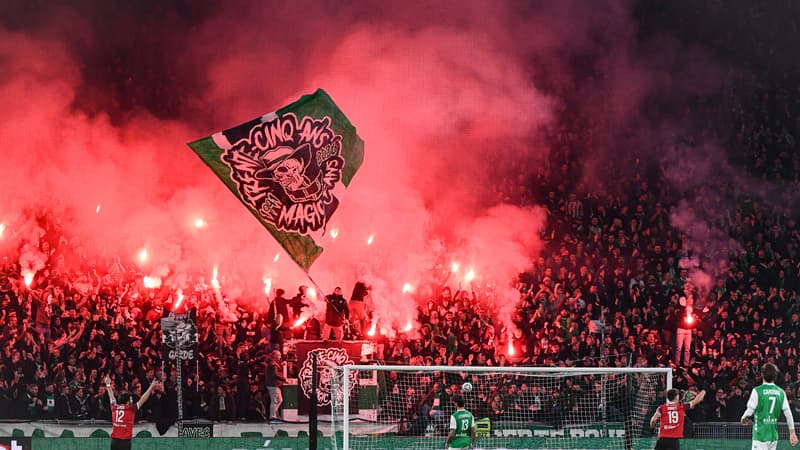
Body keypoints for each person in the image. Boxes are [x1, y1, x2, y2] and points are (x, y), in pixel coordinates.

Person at [740, 363, 798, 450]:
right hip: (773, 436)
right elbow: (788, 414)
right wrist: (792, 433)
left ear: (762, 374)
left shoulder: (757, 391)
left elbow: (750, 410)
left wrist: (743, 418)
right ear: (775, 376)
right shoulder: (781, 392)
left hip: (760, 435)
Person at [104, 375, 160, 450]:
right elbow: (143, 399)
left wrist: (108, 384)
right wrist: (151, 387)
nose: (132, 400)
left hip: (114, 442)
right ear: (127, 401)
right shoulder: (131, 409)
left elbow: (111, 396)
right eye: (130, 399)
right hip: (125, 442)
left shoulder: (115, 408)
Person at [265, 350, 286, 422]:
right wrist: (284, 379)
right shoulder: (273, 364)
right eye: (279, 355)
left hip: (273, 384)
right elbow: (275, 374)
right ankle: (272, 417)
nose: (280, 357)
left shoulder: (272, 363)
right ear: (275, 356)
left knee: (279, 400)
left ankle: (273, 415)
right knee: (274, 401)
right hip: (273, 384)